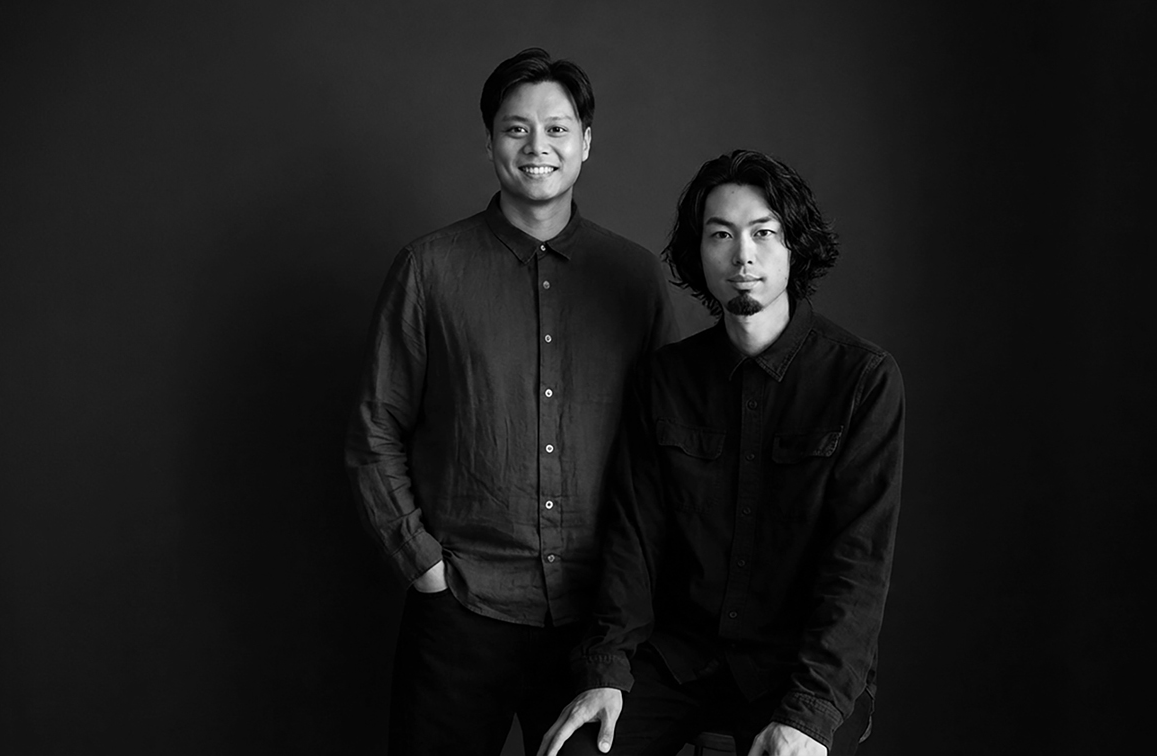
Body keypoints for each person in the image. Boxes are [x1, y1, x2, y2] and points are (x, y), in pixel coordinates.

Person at [345, 47, 677, 756]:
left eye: (557, 129)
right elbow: (376, 431)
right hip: (460, 608)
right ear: (489, 141)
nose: (537, 147)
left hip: (597, 626)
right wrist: (424, 565)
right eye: (515, 128)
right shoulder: (429, 269)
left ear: (587, 142)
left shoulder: (635, 279)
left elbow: (663, 450)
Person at [538, 150, 905, 756]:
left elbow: (858, 567)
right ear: (699, 253)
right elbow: (633, 540)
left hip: (799, 671)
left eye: (764, 233)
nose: (743, 257)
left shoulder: (862, 379)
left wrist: (810, 715)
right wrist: (605, 670)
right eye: (721, 235)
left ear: (795, 246)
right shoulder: (664, 379)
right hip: (678, 658)